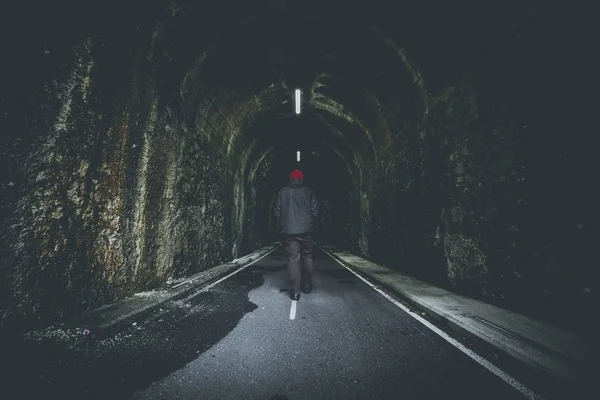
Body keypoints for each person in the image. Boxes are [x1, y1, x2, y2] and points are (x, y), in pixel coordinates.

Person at [274, 169, 319, 300]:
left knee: (293, 259)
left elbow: (277, 212)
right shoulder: (309, 191)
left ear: (290, 179)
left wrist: (280, 229)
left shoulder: (282, 192)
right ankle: (307, 285)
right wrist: (309, 223)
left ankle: (295, 292)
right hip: (306, 231)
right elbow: (315, 211)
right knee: (307, 257)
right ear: (302, 180)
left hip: (289, 232)